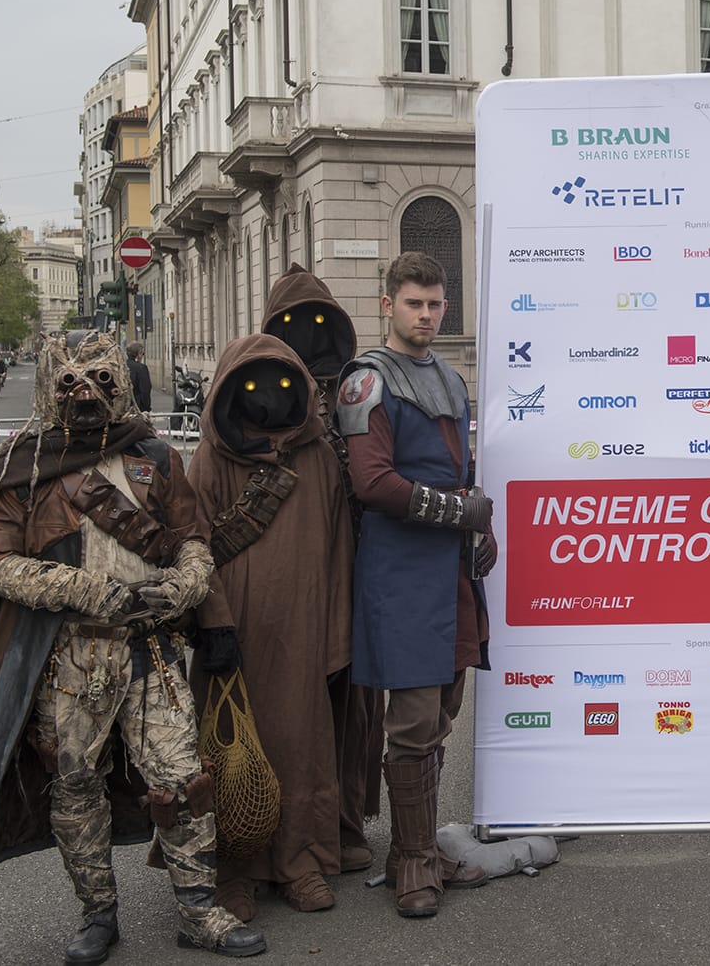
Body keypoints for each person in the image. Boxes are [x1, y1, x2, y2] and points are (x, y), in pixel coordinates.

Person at [0, 330, 265, 962]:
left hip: (151, 653)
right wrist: (80, 589)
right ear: (51, 384)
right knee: (74, 785)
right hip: (69, 659)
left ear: (119, 380)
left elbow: (191, 538)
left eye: (100, 378)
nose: (86, 393)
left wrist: (189, 580)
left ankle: (199, 911)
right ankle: (98, 915)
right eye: (70, 381)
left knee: (183, 781)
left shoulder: (155, 455)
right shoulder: (23, 467)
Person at [335, 252, 493, 918]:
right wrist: (460, 512)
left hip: (448, 570)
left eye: (434, 304)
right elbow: (371, 483)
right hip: (399, 571)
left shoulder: (451, 379)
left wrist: (480, 525)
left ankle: (418, 846)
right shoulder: (366, 382)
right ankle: (414, 863)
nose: (426, 315)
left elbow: (462, 470)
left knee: (442, 711)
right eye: (414, 303)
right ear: (387, 306)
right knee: (412, 720)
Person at [190, 334, 354, 919]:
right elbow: (192, 548)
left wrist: (336, 636)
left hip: (303, 631)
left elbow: (338, 548)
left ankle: (300, 861)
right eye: (254, 383)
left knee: (300, 748)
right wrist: (212, 625)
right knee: (228, 752)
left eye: (282, 382)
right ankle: (232, 870)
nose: (268, 395)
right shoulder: (211, 460)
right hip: (234, 633)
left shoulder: (318, 457)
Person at [262, 263, 379, 876]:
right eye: (292, 323)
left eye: (317, 321)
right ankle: (278, 832)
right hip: (289, 570)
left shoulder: (359, 389)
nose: (306, 334)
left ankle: (346, 820)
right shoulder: (259, 389)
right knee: (289, 708)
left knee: (355, 707)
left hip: (357, 566)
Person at [127, 343, 153, 413]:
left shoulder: (122, 366)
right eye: (142, 354)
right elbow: (145, 390)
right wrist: (146, 408)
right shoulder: (141, 368)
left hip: (124, 406)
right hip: (138, 407)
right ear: (139, 354)